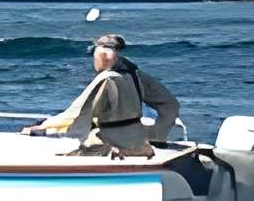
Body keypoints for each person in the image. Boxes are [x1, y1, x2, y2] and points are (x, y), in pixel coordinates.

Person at [28, 34, 182, 153]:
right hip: (137, 139)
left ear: (100, 55)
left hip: (108, 142)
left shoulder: (106, 79)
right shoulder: (136, 75)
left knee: (54, 133)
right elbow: (170, 105)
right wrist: (157, 135)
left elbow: (75, 114)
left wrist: (42, 126)